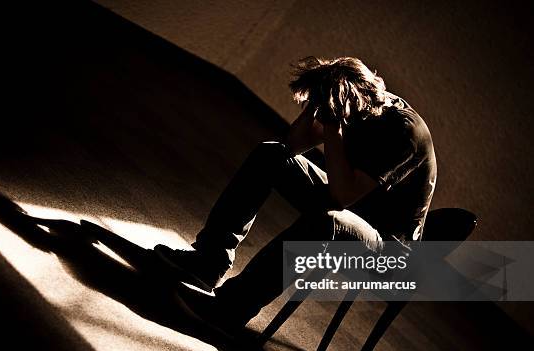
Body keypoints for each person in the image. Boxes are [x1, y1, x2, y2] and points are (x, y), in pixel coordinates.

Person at [155, 56, 437, 333]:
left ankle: (232, 308)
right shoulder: (357, 102)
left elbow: (341, 198)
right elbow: (291, 145)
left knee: (328, 221)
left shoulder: (404, 132)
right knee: (271, 155)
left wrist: (333, 125)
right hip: (351, 201)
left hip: (388, 250)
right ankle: (208, 261)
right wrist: (316, 109)